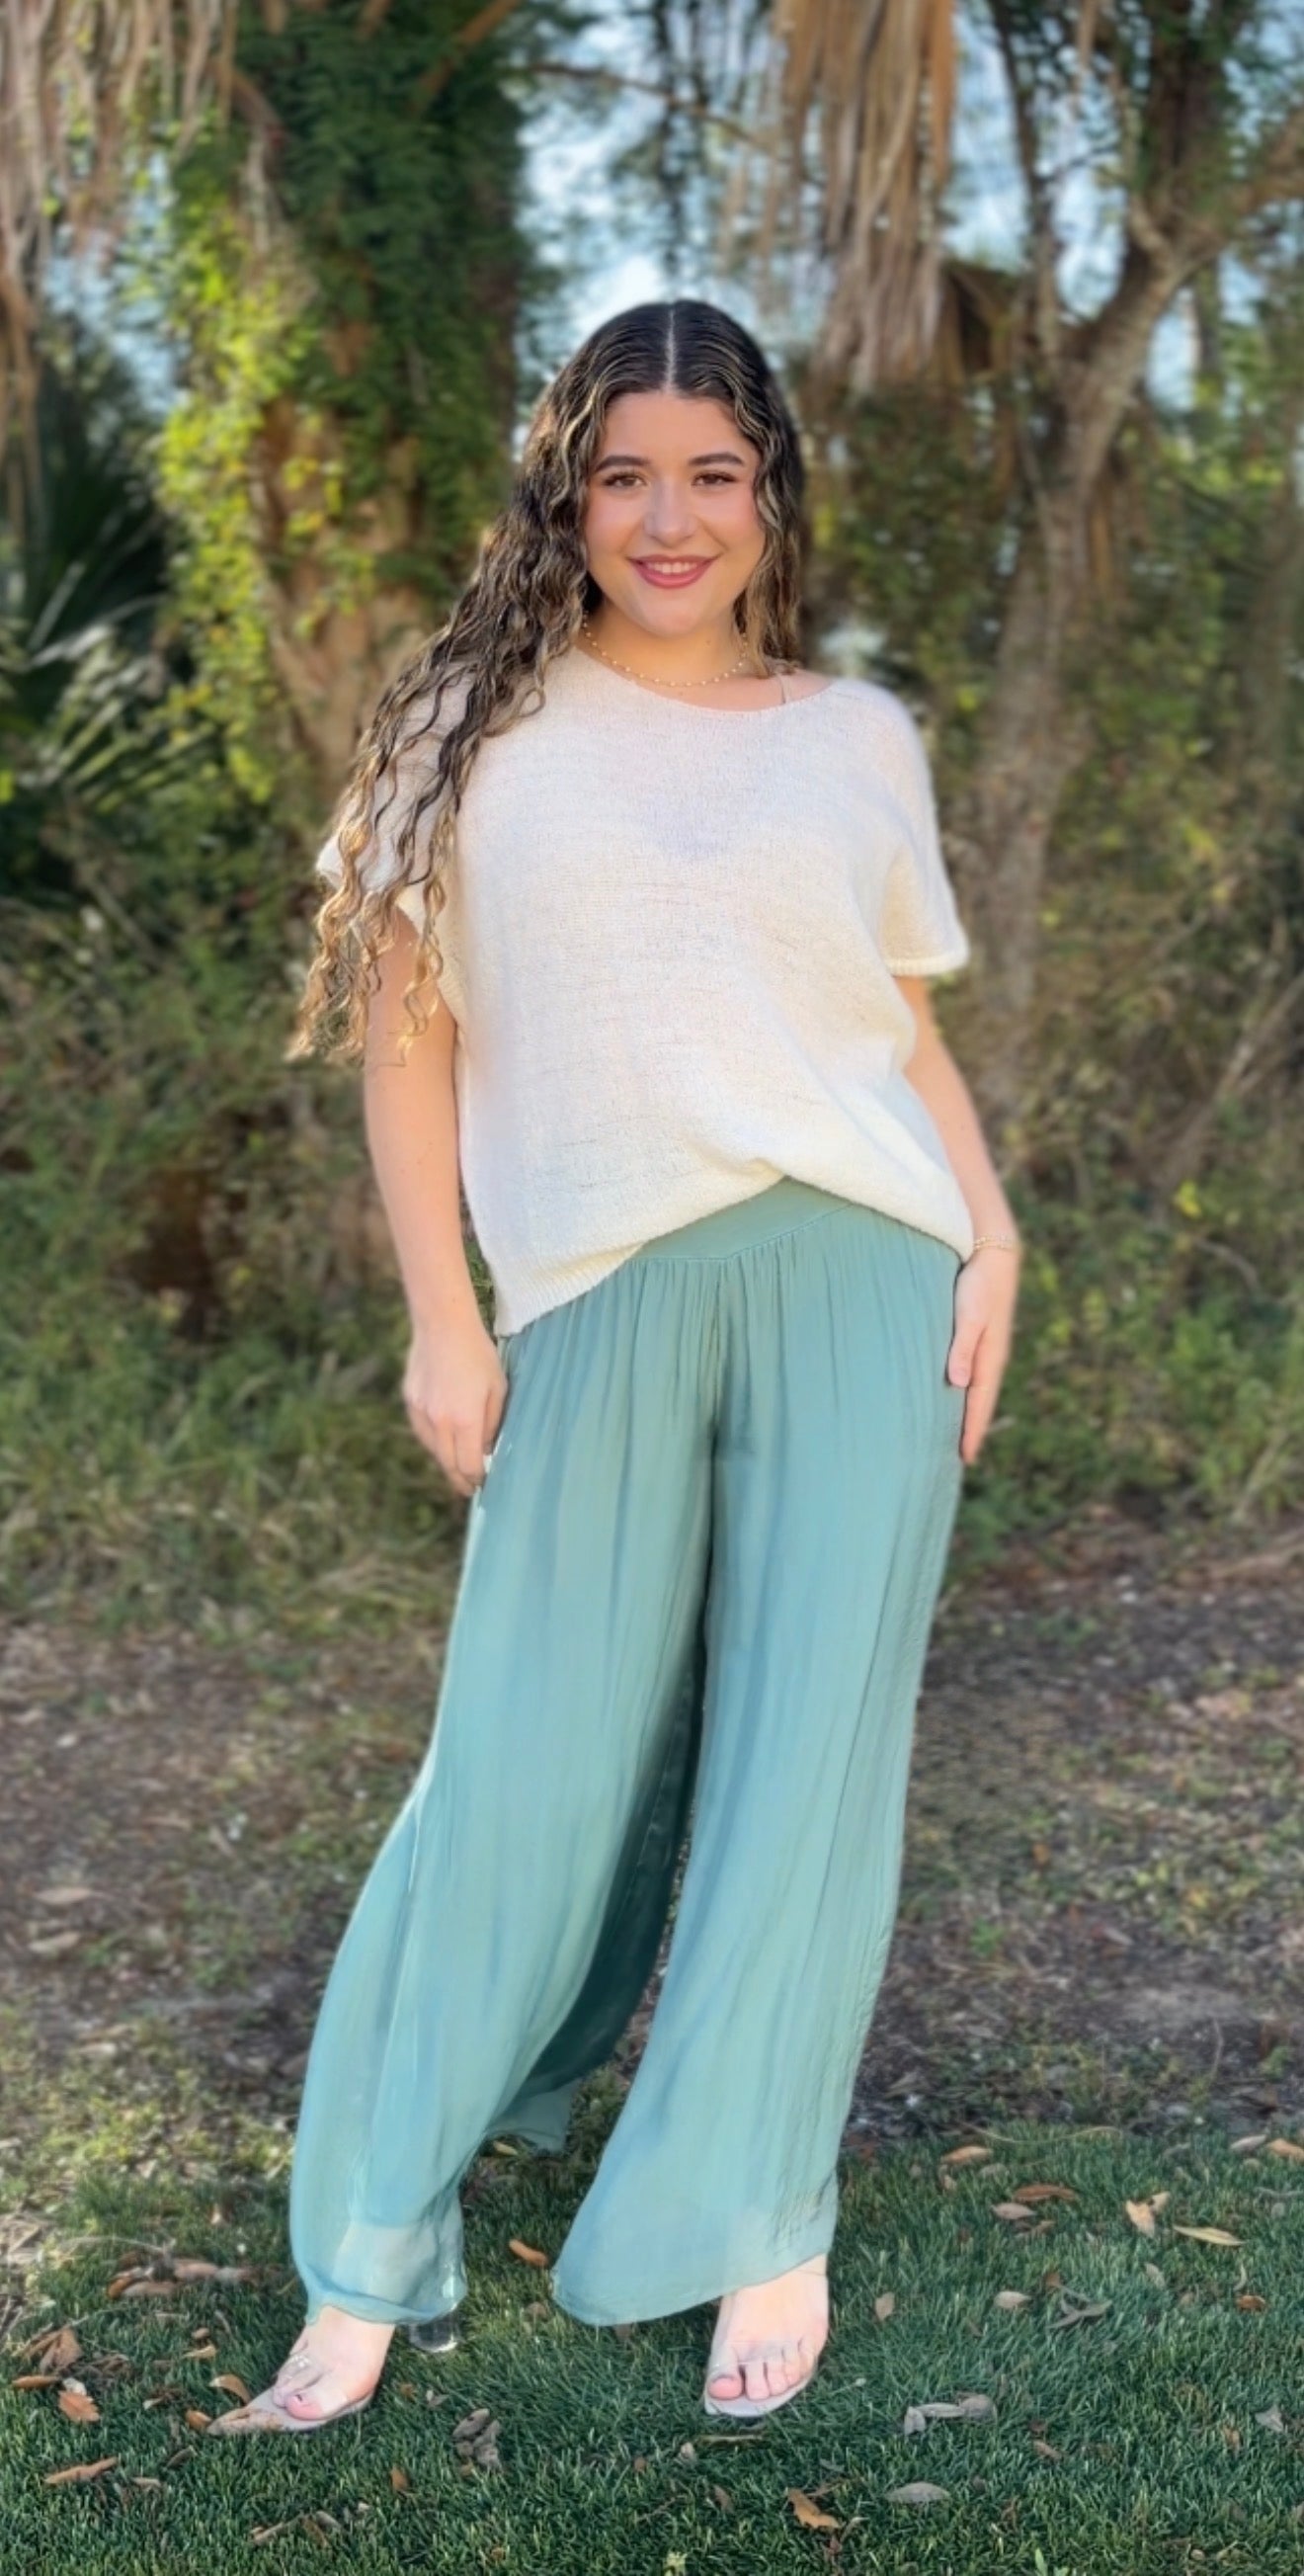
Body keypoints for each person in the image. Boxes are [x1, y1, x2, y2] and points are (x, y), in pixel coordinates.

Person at [208, 297, 1020, 2438]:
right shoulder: (467, 730)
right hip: (588, 1290)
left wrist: (997, 1231)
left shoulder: (854, 735)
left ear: (770, 493)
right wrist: (442, 1314)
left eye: (713, 473)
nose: (671, 517)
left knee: (805, 1769)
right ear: (564, 494)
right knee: (520, 1767)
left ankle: (762, 2210)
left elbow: (894, 1028)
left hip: (866, 1272)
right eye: (625, 473)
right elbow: (408, 1039)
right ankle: (368, 2243)